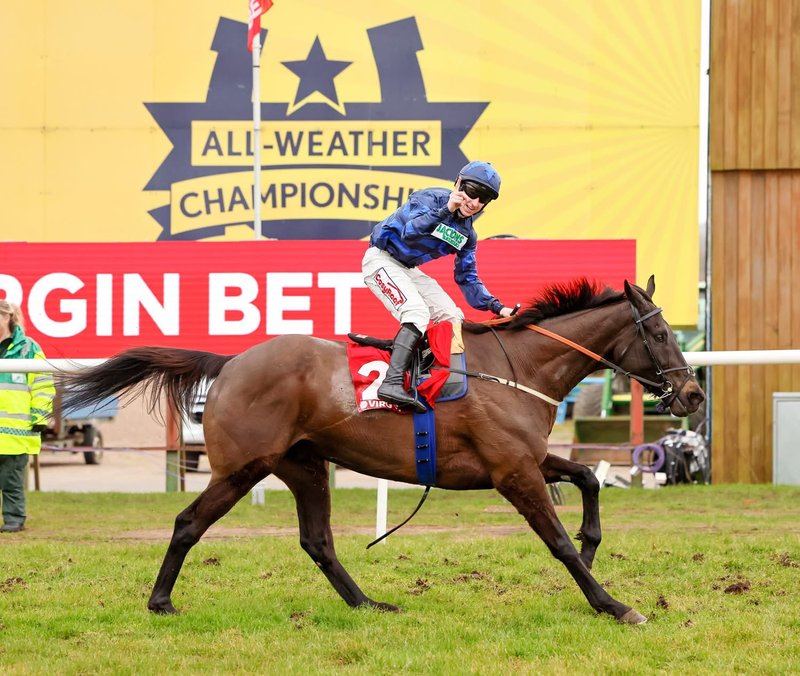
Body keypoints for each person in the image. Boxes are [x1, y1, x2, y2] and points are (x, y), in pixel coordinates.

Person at [362, 160, 516, 413]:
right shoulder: (429, 198)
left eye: (484, 198)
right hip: (380, 258)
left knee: (453, 318)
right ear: (458, 184)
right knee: (416, 312)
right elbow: (410, 232)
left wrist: (498, 307)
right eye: (472, 191)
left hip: (408, 269)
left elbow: (467, 277)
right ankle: (391, 383)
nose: (474, 202)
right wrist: (446, 210)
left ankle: (426, 377)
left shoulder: (468, 235)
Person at [0, 300, 55, 533]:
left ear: (7, 317)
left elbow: (43, 384)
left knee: (12, 481)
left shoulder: (29, 349)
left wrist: (40, 417)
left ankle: (14, 519)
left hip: (15, 434)